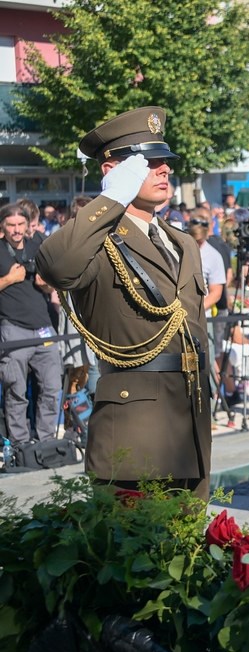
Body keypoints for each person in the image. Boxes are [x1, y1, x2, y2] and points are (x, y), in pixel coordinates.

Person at [35, 106, 212, 497]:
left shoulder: (183, 243)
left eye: (164, 161)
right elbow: (55, 266)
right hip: (135, 433)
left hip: (191, 428)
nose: (164, 169)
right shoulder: (97, 243)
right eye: (148, 163)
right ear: (113, 170)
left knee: (190, 535)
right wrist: (112, 197)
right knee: (135, 536)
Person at [0, 204, 61, 445]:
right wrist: (8, 279)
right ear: (3, 226)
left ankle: (46, 442)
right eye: (11, 225)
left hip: (44, 327)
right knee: (16, 391)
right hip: (13, 328)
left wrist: (46, 285)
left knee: (52, 388)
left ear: (27, 224)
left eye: (20, 224)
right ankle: (20, 445)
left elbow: (52, 285)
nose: (16, 230)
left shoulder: (38, 246)